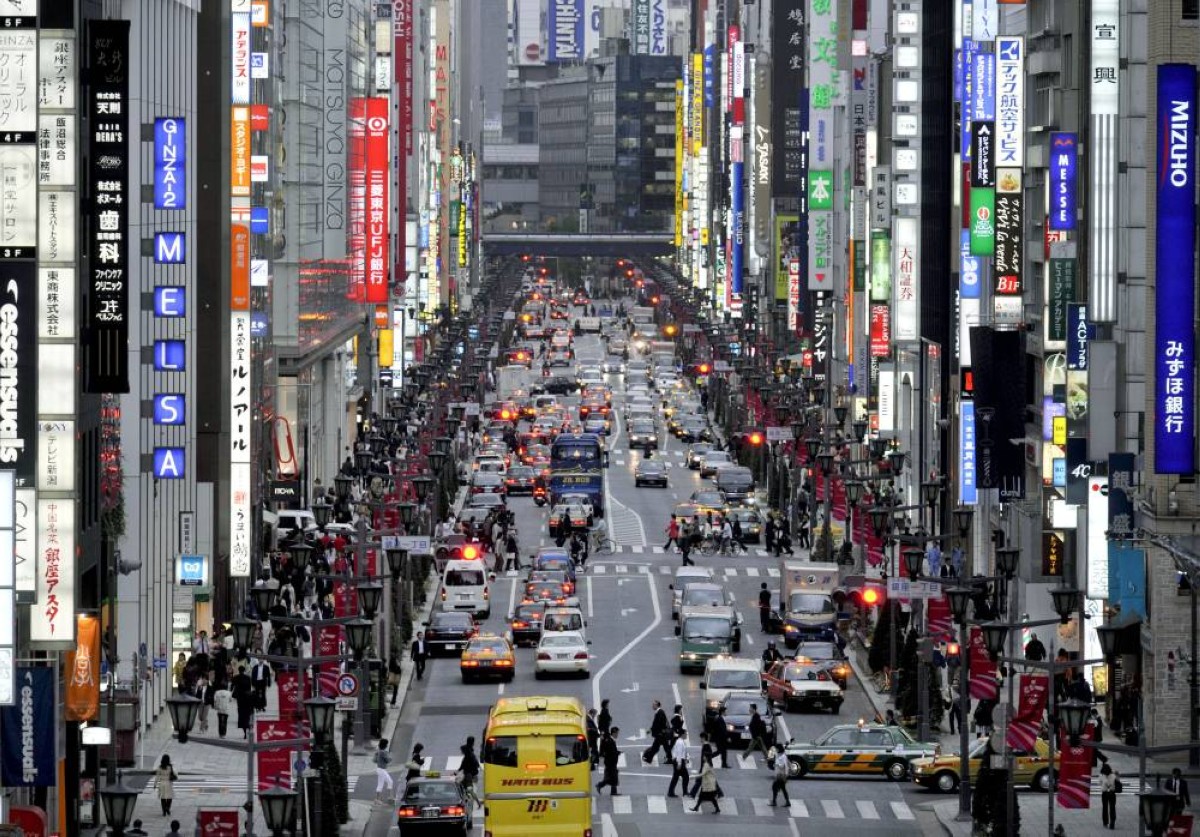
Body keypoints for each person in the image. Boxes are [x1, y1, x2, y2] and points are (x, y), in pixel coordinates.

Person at [642, 700, 671, 765]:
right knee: (665, 747)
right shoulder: (659, 712)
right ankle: (670, 759)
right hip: (661, 734)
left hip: (660, 734)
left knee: (655, 747)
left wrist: (652, 730)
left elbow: (658, 724)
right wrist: (651, 730)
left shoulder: (660, 712)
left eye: (653, 705)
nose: (652, 706)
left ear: (657, 705)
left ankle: (648, 759)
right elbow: (657, 724)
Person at [688, 732, 715, 797]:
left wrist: (704, 766)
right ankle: (718, 793)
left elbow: (708, 756)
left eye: (701, 738)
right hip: (706, 765)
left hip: (706, 766)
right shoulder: (706, 745)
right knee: (706, 780)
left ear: (703, 738)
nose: (700, 739)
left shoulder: (706, 745)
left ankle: (692, 794)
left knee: (699, 780)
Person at [230, 665, 255, 738]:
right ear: (244, 670)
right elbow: (250, 688)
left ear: (239, 670)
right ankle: (249, 728)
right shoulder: (248, 678)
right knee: (248, 714)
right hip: (247, 698)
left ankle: (244, 732)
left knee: (241, 715)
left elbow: (231, 687)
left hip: (240, 698)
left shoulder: (235, 677)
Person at [596, 727, 621, 796]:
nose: (617, 735)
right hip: (610, 762)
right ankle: (600, 785)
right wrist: (617, 753)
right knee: (612, 777)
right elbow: (610, 752)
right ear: (614, 733)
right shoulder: (609, 741)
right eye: (617, 733)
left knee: (614, 776)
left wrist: (617, 752)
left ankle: (613, 791)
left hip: (611, 761)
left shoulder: (610, 740)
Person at [459, 736, 481, 809]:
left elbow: (463, 765)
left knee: (469, 790)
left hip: (469, 775)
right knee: (461, 787)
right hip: (470, 774)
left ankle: (477, 802)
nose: (461, 752)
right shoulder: (470, 752)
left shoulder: (468, 756)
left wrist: (457, 771)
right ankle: (469, 800)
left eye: (462, 751)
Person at [666, 732, 690, 797]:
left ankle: (671, 792)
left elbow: (682, 752)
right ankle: (684, 792)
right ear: (682, 734)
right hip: (678, 761)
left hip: (678, 761)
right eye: (686, 734)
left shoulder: (681, 741)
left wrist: (686, 758)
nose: (686, 735)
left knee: (676, 777)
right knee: (685, 777)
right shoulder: (680, 742)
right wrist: (679, 763)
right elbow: (679, 753)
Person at [1099, 762, 1119, 829]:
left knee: (1107, 808)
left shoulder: (1102, 775)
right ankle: (1110, 823)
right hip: (1110, 793)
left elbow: (1100, 782)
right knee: (1110, 808)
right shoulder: (1113, 775)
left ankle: (1107, 822)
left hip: (1106, 793)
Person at [374, 738, 395, 802]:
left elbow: (376, 760)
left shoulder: (380, 751)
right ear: (384, 745)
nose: (387, 745)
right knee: (380, 784)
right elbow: (387, 760)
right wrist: (391, 757)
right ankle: (377, 799)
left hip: (381, 769)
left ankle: (390, 797)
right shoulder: (382, 752)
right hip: (381, 770)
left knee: (390, 781)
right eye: (386, 744)